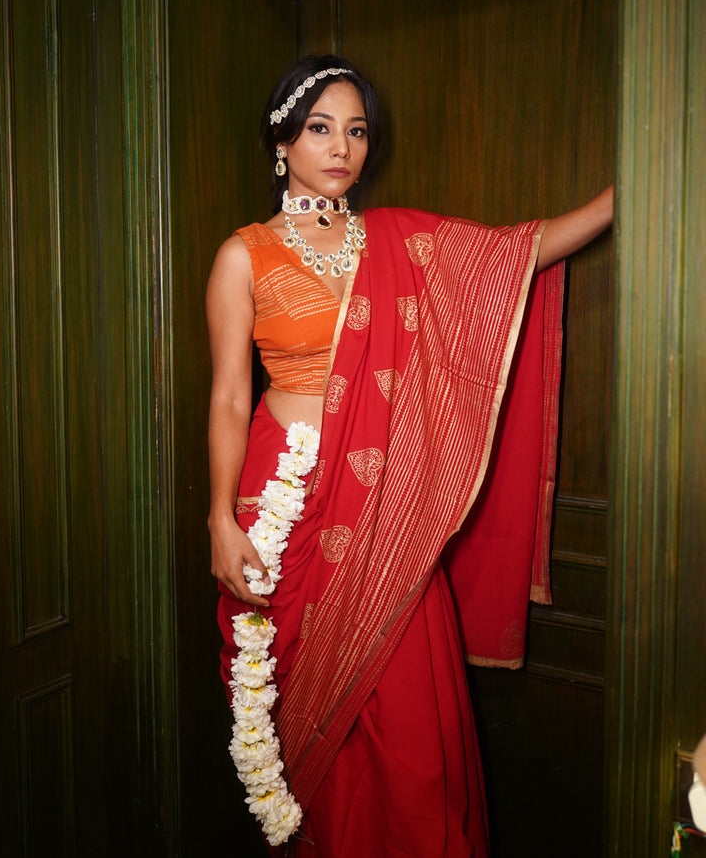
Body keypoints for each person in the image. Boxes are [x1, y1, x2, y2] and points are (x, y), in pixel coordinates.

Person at [207, 54, 613, 857]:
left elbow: (513, 257)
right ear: (282, 141)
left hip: (391, 513)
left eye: (356, 131)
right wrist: (218, 516)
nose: (342, 147)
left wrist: (616, 199)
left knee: (412, 739)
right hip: (283, 509)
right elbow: (227, 395)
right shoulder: (243, 254)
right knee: (304, 722)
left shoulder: (397, 242)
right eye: (321, 128)